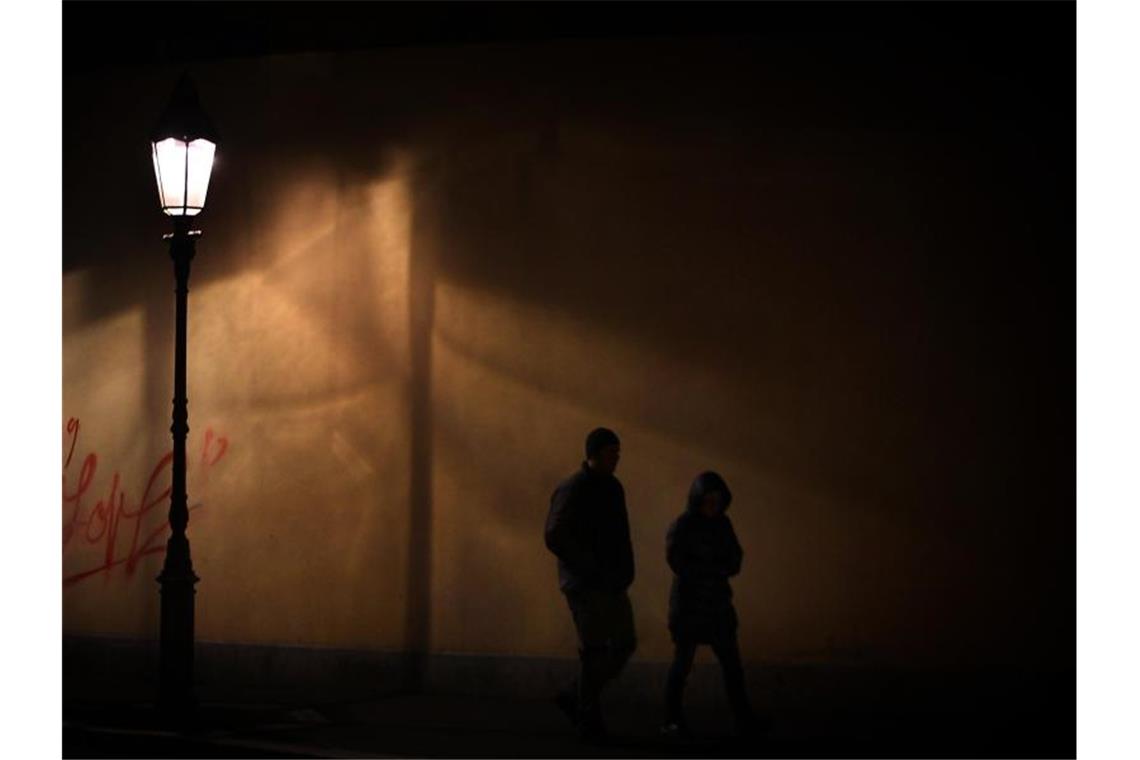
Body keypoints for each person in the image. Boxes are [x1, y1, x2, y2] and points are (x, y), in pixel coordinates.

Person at [544, 427, 636, 741]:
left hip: (607, 580)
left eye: (617, 452)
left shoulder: (612, 488)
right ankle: (588, 715)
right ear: (594, 454)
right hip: (585, 584)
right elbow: (554, 534)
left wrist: (624, 571)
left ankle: (578, 697)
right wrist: (590, 567)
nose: (617, 458)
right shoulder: (574, 488)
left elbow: (621, 534)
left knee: (622, 643)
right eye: (612, 452)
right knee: (597, 650)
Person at [662, 471, 756, 738]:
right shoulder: (683, 525)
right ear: (698, 500)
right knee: (682, 664)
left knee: (732, 665)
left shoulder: (723, 524)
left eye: (717, 501)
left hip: (717, 606)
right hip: (690, 606)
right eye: (708, 501)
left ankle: (744, 719)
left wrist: (714, 569)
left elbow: (735, 558)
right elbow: (678, 561)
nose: (713, 507)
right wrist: (712, 569)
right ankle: (671, 719)